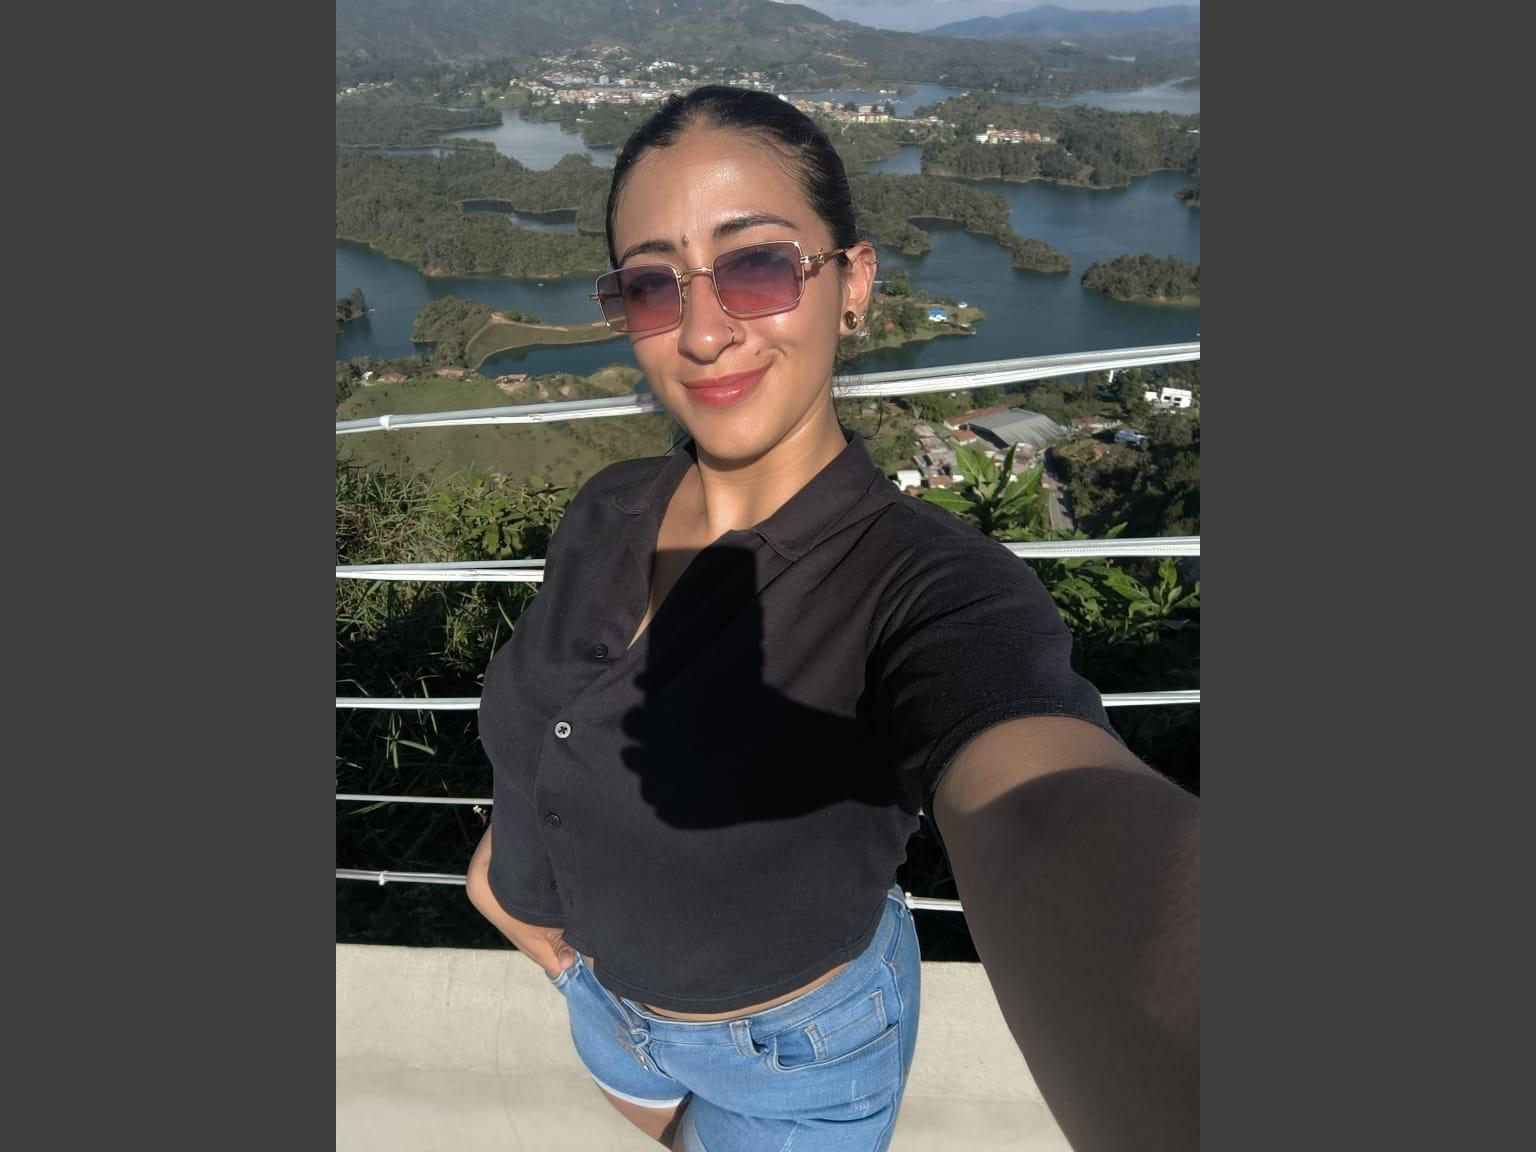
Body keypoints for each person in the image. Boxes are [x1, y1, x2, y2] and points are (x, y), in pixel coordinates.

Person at [467, 86, 1198, 1152]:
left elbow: (1042, 806)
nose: (703, 332)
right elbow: (547, 726)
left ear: (851, 284)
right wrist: (515, 898)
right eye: (654, 284)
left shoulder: (930, 590)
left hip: (795, 1062)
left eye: (757, 266)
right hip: (604, 1013)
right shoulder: (607, 507)